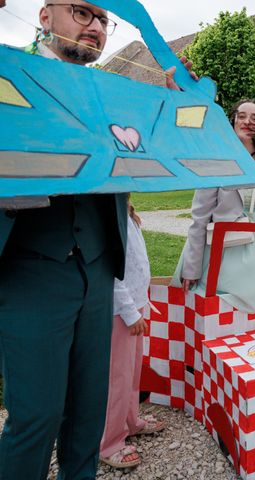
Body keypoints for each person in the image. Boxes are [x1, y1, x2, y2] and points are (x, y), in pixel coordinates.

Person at [0, 2, 129, 478]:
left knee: (88, 412)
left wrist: (180, 102)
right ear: (45, 15)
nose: (94, 27)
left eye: (103, 20)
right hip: (29, 269)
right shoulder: (7, 72)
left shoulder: (113, 94)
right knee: (36, 416)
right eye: (82, 11)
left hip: (96, 268)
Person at [172, 100, 255, 312]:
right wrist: (192, 267)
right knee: (216, 307)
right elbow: (200, 217)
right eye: (241, 116)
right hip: (220, 247)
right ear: (233, 120)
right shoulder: (215, 158)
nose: (247, 122)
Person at [100, 198, 164, 469]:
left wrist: (140, 304)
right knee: (118, 376)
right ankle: (109, 442)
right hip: (120, 311)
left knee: (132, 370)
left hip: (135, 305)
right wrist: (128, 310)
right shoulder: (106, 215)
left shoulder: (126, 213)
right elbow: (109, 269)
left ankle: (130, 421)